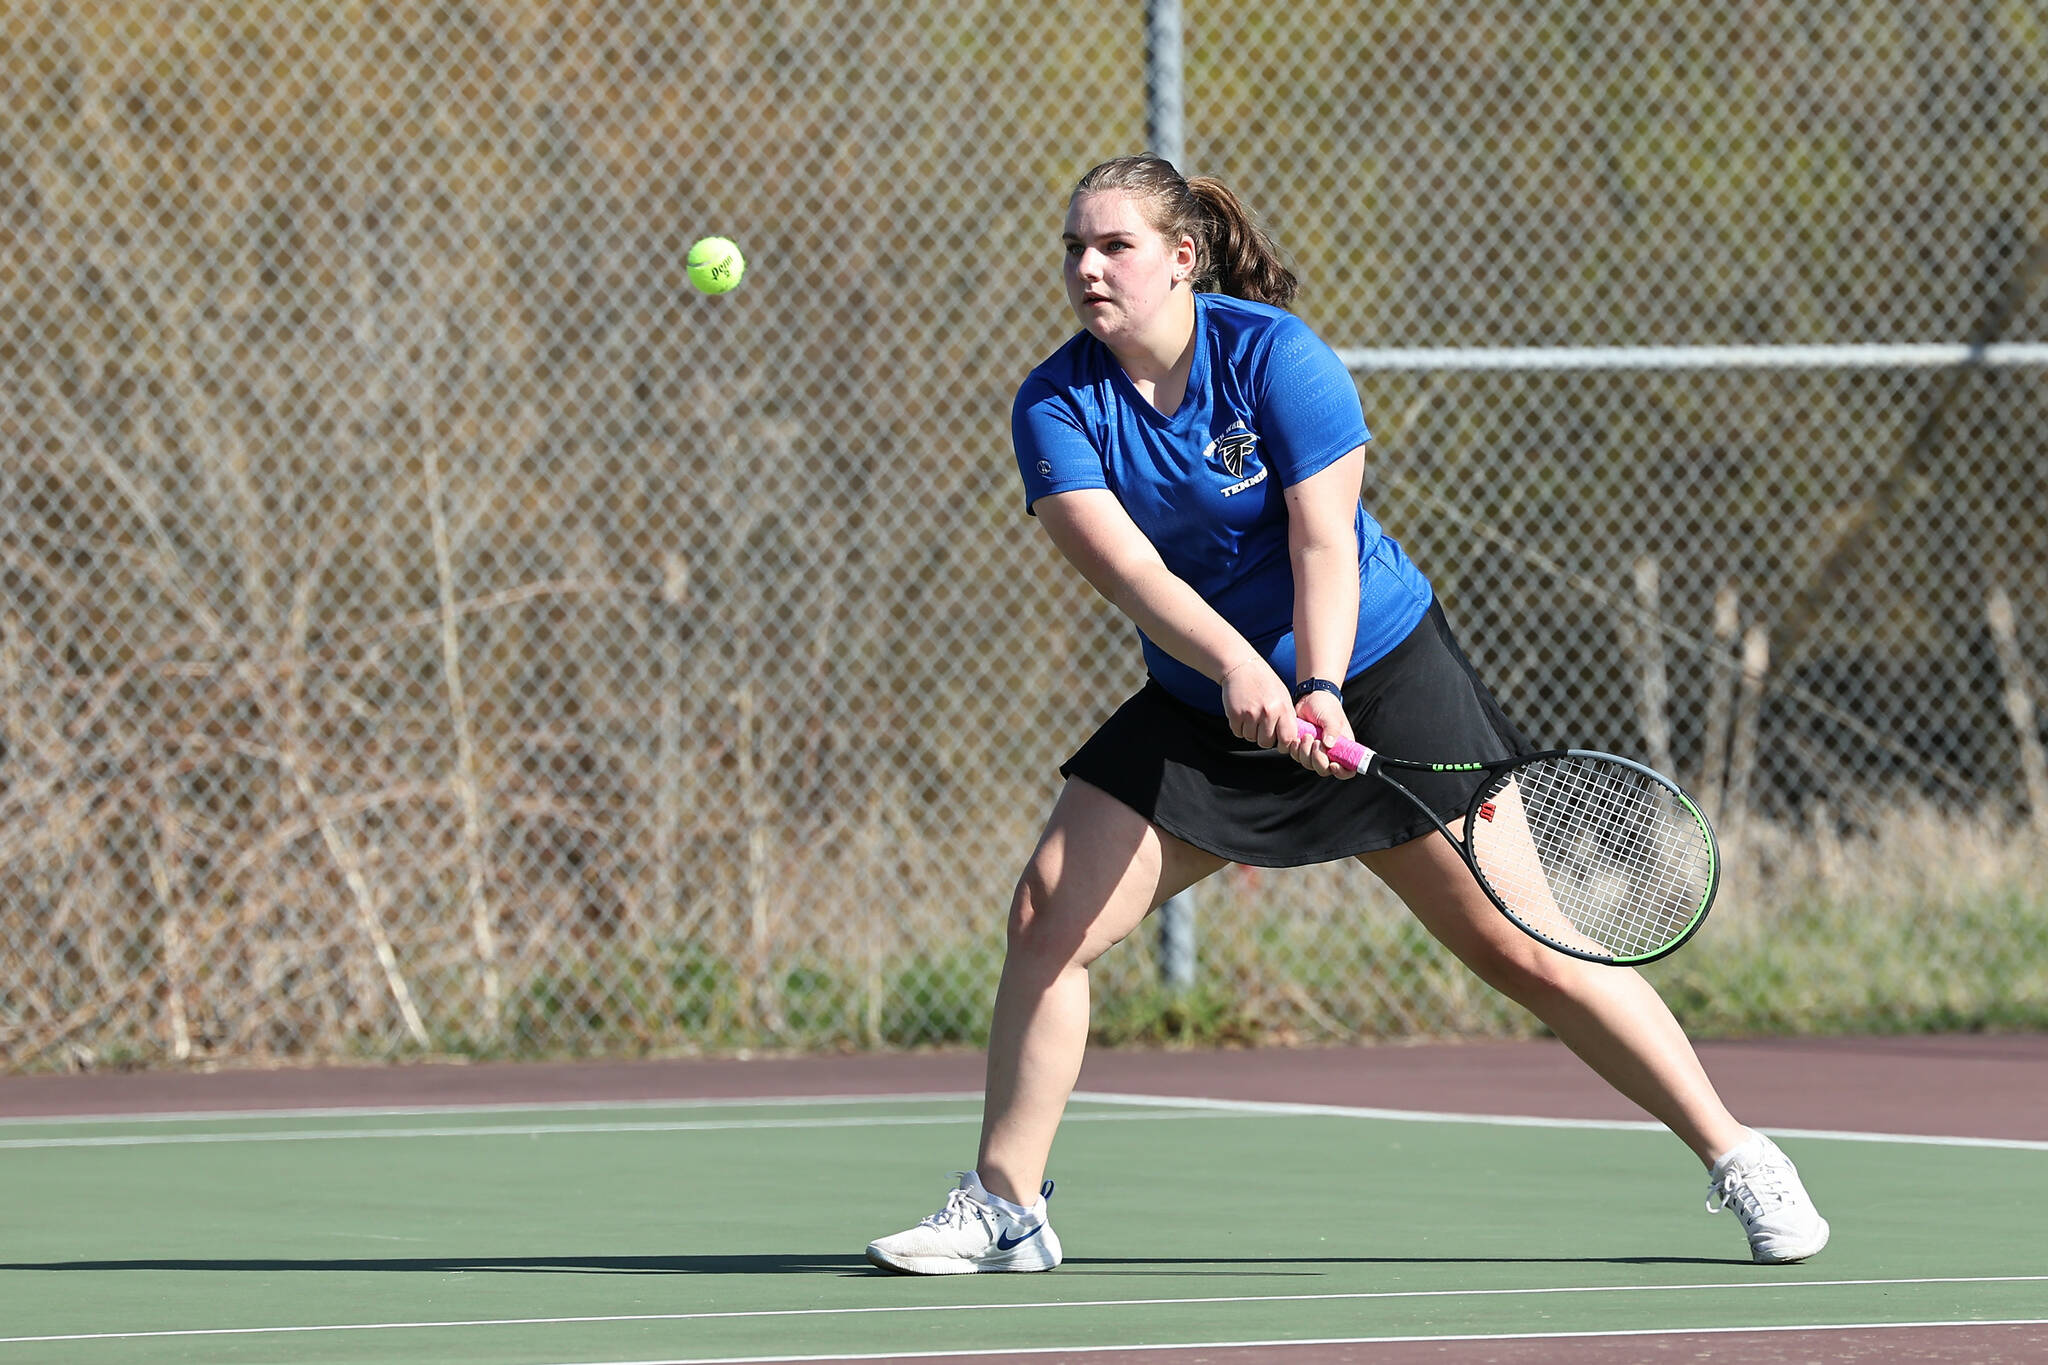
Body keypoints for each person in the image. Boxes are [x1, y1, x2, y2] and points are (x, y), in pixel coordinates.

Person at [863, 156, 1828, 1275]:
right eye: (1072, 247)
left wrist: (1314, 686)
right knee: (1048, 915)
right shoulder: (1055, 402)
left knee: (1532, 952)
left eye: (1112, 246)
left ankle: (1737, 1153)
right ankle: (1004, 1206)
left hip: (1378, 674)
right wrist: (1238, 668)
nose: (1085, 268)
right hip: (1201, 699)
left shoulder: (1278, 358)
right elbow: (1131, 576)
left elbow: (1323, 543)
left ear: (1180, 259)